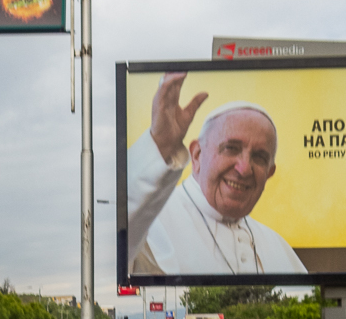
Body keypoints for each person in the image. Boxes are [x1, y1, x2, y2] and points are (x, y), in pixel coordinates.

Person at [127, 72, 308, 276]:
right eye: (231, 148)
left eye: (259, 157)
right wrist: (159, 145)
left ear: (269, 173)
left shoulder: (278, 247)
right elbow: (117, 237)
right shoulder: (149, 222)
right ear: (197, 154)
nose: (244, 169)